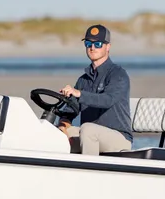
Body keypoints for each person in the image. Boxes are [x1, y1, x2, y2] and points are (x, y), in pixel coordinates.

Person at [57, 24, 133, 155]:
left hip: (119, 138)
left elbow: (108, 100)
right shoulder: (83, 79)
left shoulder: (118, 74)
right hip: (90, 135)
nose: (92, 48)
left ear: (108, 46)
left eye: (98, 44)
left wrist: (79, 93)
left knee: (87, 129)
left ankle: (89, 173)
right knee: (54, 133)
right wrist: (63, 126)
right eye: (88, 43)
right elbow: (71, 110)